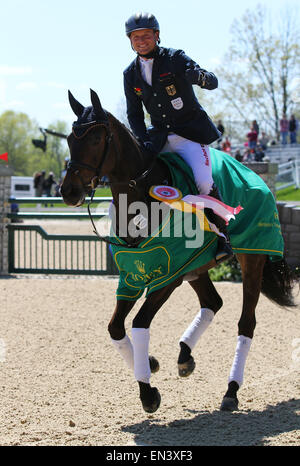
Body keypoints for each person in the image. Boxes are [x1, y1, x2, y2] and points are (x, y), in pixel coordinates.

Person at [123, 12, 232, 262]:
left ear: (157, 36)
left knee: (204, 183)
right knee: (138, 178)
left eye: (146, 36)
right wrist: (142, 140)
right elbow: (134, 114)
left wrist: (199, 77)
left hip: (190, 135)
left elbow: (211, 82)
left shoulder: (175, 58)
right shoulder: (130, 74)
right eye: (136, 37)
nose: (141, 41)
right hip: (159, 138)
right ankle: (140, 235)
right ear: (130, 40)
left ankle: (224, 237)